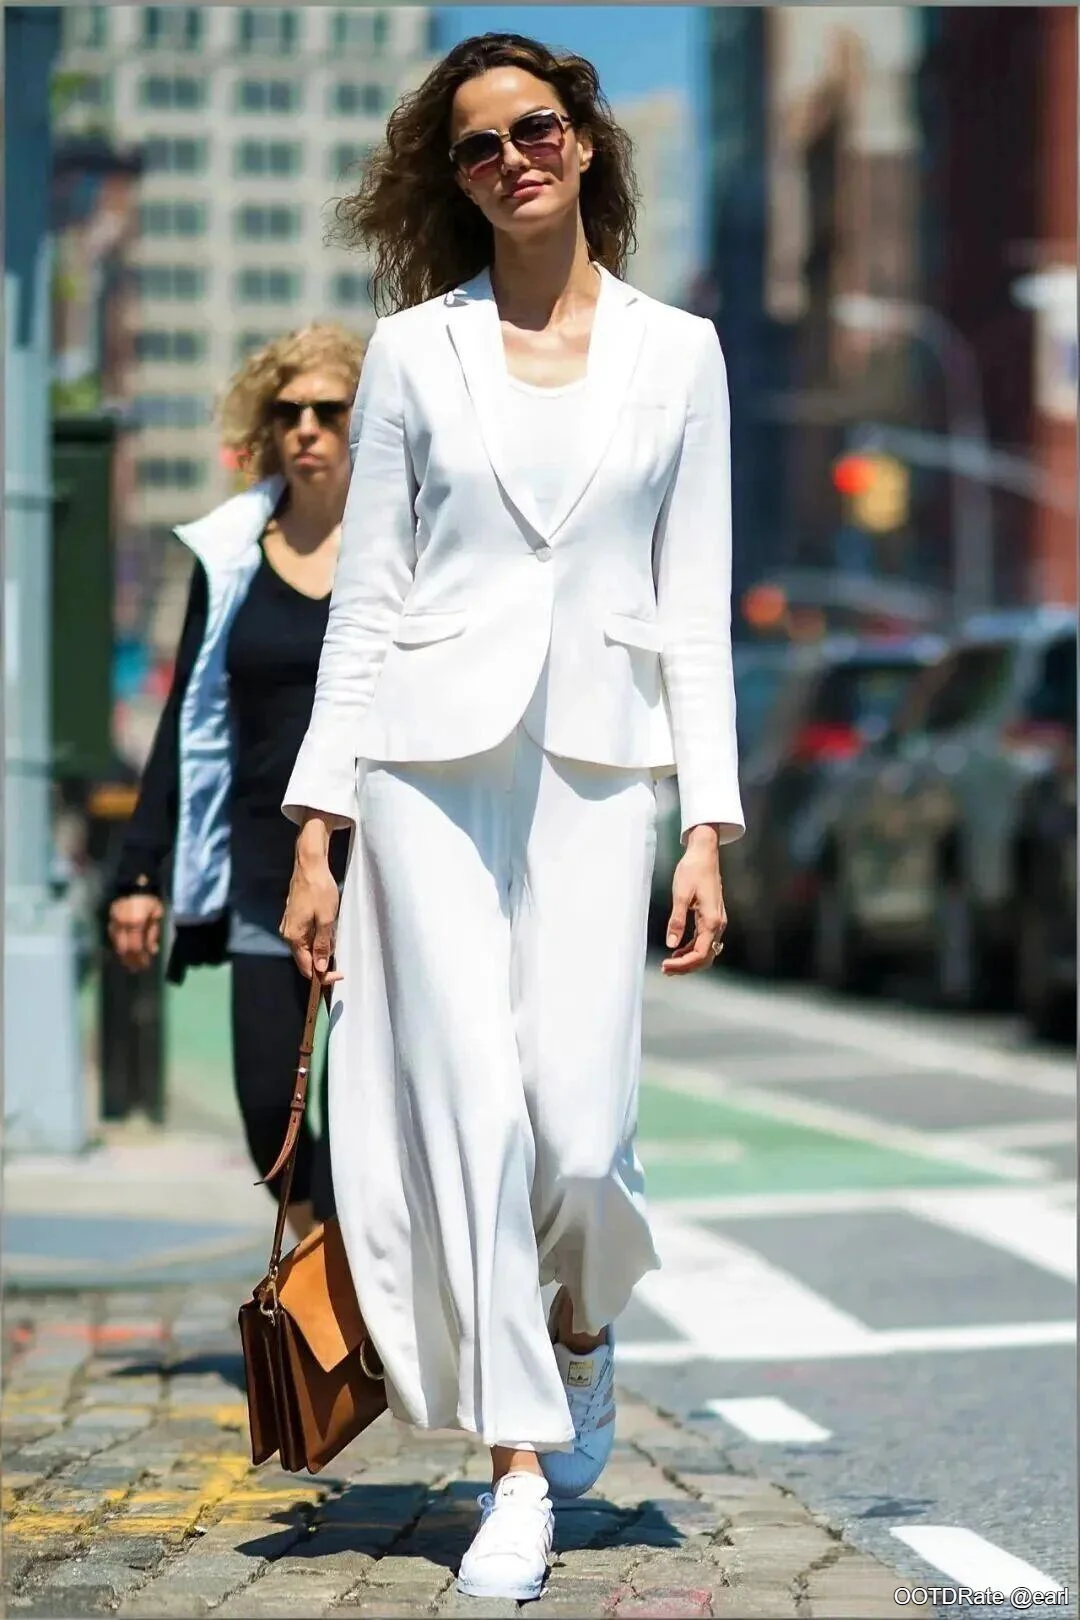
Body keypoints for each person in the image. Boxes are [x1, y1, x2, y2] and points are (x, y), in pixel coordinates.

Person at [280, 33, 744, 1602]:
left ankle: (583, 1323)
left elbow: (695, 609)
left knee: (582, 1137)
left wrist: (707, 822)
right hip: (426, 762)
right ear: (454, 179)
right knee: (470, 1114)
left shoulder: (683, 353)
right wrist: (315, 826)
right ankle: (517, 1472)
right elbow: (374, 598)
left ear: (588, 145)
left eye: (534, 130)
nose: (511, 160)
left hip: (603, 772)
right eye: (476, 148)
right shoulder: (415, 350)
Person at [107, 324, 365, 1241]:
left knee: (374, 1120)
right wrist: (140, 873)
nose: (306, 429)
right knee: (270, 1113)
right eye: (287, 411)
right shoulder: (231, 555)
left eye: (329, 411)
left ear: (361, 424)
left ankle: (369, 1317)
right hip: (264, 873)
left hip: (381, 876)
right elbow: (188, 722)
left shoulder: (401, 549)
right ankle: (333, 1285)